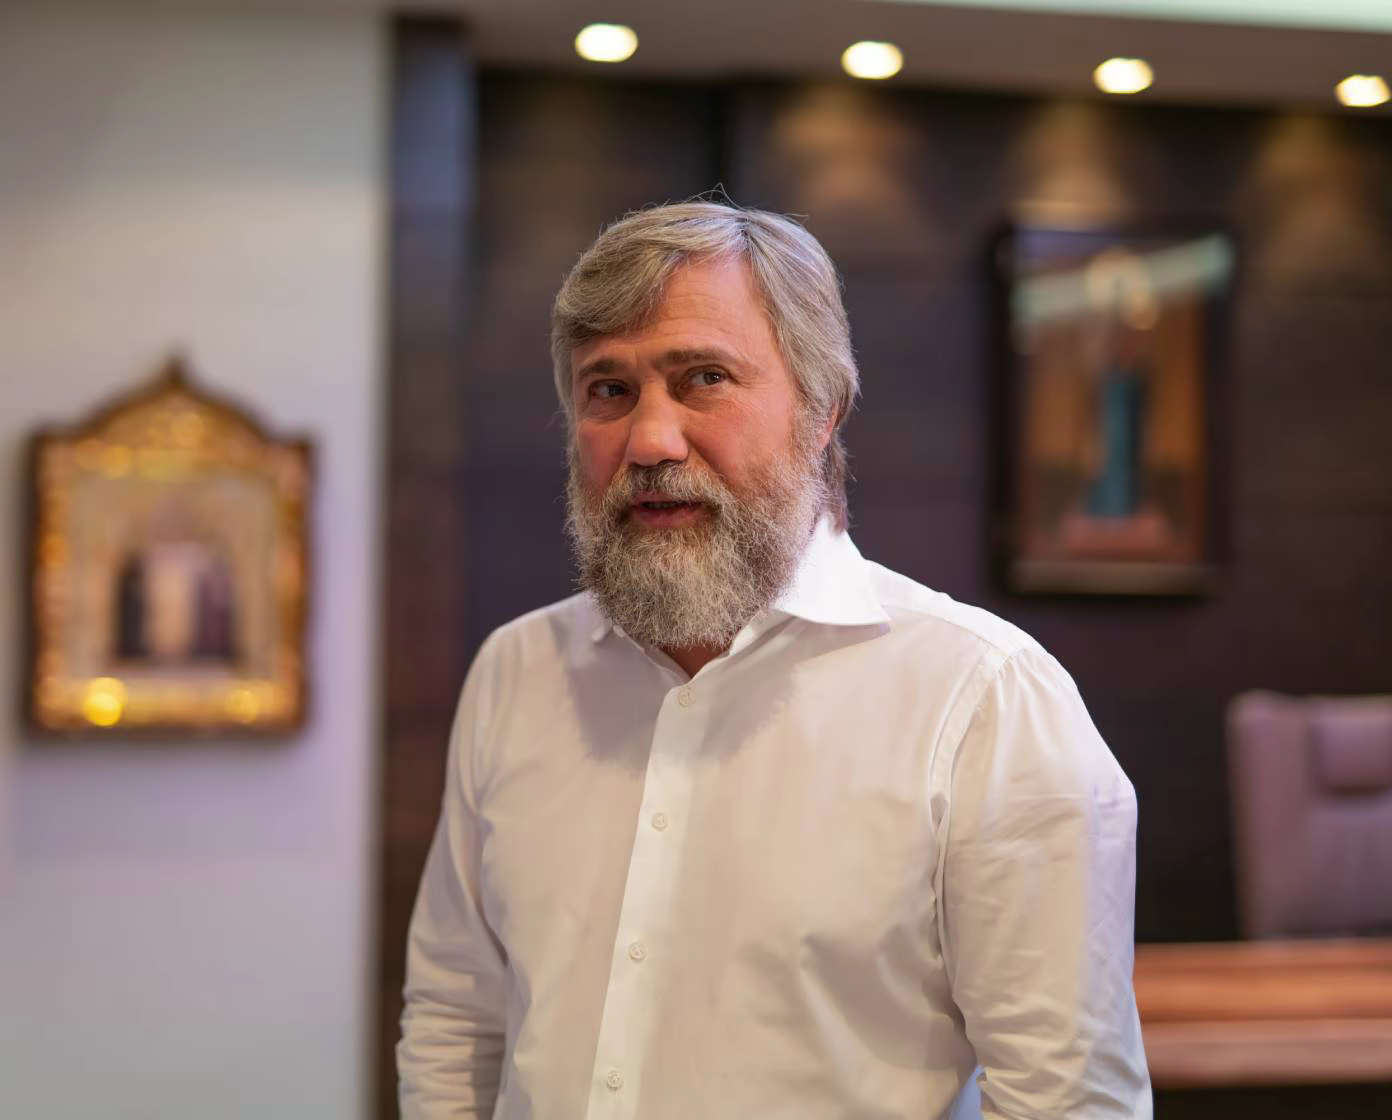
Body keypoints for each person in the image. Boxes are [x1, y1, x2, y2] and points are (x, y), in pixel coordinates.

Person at [398, 201, 1150, 1119]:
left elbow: (1068, 1100)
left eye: (704, 379)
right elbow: (456, 1017)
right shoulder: (517, 673)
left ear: (822, 410)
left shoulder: (984, 701)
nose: (650, 441)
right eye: (609, 390)